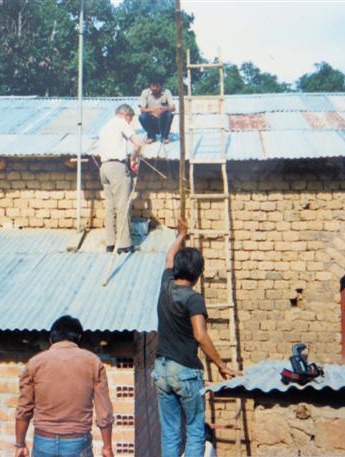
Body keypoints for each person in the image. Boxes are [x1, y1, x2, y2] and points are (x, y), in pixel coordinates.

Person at [152, 218, 240, 457]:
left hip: (160, 369)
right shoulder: (193, 299)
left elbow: (169, 258)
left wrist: (180, 235)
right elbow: (201, 336)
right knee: (194, 431)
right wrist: (221, 365)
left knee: (170, 431)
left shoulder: (166, 286)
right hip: (184, 371)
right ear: (198, 274)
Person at [15, 315, 115, 457]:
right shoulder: (93, 362)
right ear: (79, 338)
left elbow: (23, 409)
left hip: (44, 441)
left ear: (51, 340)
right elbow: (104, 411)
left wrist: (20, 444)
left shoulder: (34, 363)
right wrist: (107, 447)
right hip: (78, 442)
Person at [97, 104, 143, 254]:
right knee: (122, 205)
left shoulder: (105, 127)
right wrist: (133, 160)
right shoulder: (121, 123)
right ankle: (124, 244)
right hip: (117, 167)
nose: (130, 123)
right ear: (126, 115)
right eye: (130, 119)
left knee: (110, 207)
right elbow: (137, 143)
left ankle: (110, 243)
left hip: (104, 168)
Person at [138, 76, 176, 144]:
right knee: (142, 117)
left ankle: (165, 136)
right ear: (150, 86)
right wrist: (154, 110)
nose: (155, 88)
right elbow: (142, 109)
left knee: (169, 114)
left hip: (162, 120)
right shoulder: (145, 92)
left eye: (157, 86)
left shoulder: (167, 92)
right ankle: (151, 136)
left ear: (161, 86)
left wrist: (164, 109)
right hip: (151, 120)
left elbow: (173, 108)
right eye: (153, 86)